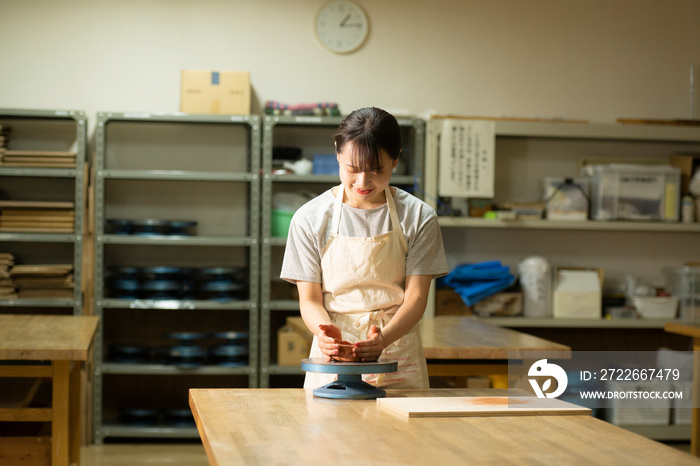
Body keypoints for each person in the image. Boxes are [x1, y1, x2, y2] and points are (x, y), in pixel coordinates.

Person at [280, 107, 448, 389]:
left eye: (376, 170)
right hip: (334, 354)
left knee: (400, 433)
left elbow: (416, 298)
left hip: (395, 347)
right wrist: (325, 333)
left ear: (396, 159)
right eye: (352, 169)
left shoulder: (418, 217)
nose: (363, 182)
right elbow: (309, 299)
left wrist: (383, 338)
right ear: (337, 152)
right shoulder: (310, 218)